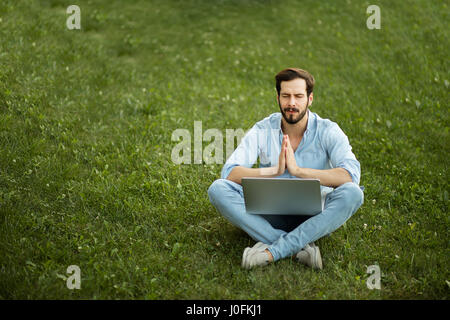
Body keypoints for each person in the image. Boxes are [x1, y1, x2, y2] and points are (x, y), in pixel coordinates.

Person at [208, 68, 364, 269]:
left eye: (298, 96)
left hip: (314, 212)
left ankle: (272, 251)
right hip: (269, 211)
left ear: (310, 99)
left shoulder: (328, 130)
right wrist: (273, 171)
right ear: (278, 97)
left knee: (353, 193)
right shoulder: (263, 129)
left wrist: (300, 172)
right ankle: (299, 248)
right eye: (286, 96)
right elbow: (229, 173)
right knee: (218, 189)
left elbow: (351, 175)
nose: (292, 103)